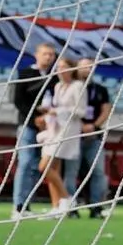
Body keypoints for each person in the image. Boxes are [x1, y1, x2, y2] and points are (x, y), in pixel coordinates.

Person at [11, 42, 60, 218]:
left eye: (51, 54)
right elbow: (18, 101)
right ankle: (18, 206)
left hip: (51, 128)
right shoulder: (25, 74)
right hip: (28, 125)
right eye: (45, 53)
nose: (48, 57)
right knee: (24, 163)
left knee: (37, 167)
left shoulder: (56, 77)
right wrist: (34, 117)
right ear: (37, 55)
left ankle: (27, 205)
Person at [36, 62, 84, 217]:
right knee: (53, 169)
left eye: (64, 67)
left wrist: (56, 111)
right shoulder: (57, 87)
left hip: (68, 131)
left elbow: (81, 111)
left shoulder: (78, 86)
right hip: (55, 130)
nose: (61, 71)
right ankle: (56, 207)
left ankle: (67, 198)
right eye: (59, 68)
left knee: (44, 167)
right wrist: (46, 115)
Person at [73, 58, 112, 218]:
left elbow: (106, 109)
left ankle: (96, 207)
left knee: (97, 171)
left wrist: (94, 126)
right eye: (83, 67)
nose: (87, 70)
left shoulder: (100, 89)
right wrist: (80, 126)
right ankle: (70, 206)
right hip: (74, 135)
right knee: (71, 172)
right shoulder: (72, 88)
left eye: (90, 67)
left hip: (94, 136)